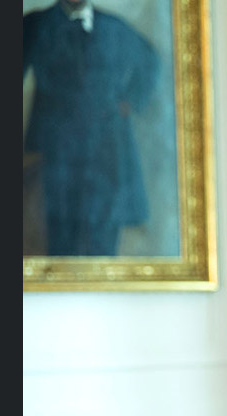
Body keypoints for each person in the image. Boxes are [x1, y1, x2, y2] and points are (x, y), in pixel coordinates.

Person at [23, 0, 159, 256]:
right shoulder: (35, 25)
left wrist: (131, 100)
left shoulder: (113, 27)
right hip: (56, 148)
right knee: (59, 231)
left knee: (104, 231)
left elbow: (150, 61)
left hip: (105, 147)